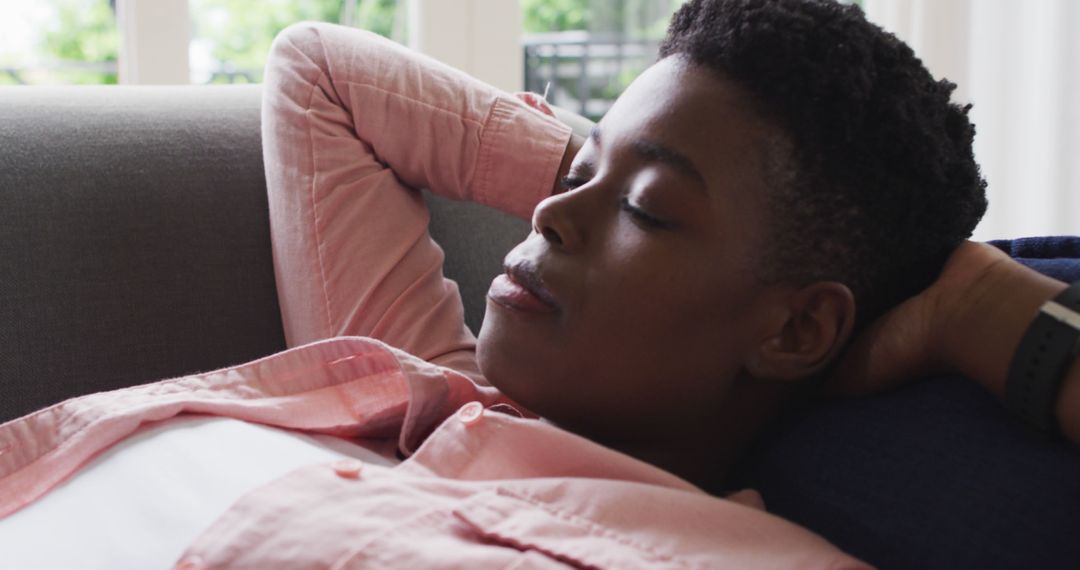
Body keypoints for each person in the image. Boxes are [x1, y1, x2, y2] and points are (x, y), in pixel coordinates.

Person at [1, 0, 1076, 567]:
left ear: (798, 329)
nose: (549, 215)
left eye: (650, 210)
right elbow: (325, 74)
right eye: (574, 172)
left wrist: (985, 313)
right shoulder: (435, 382)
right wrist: (610, 175)